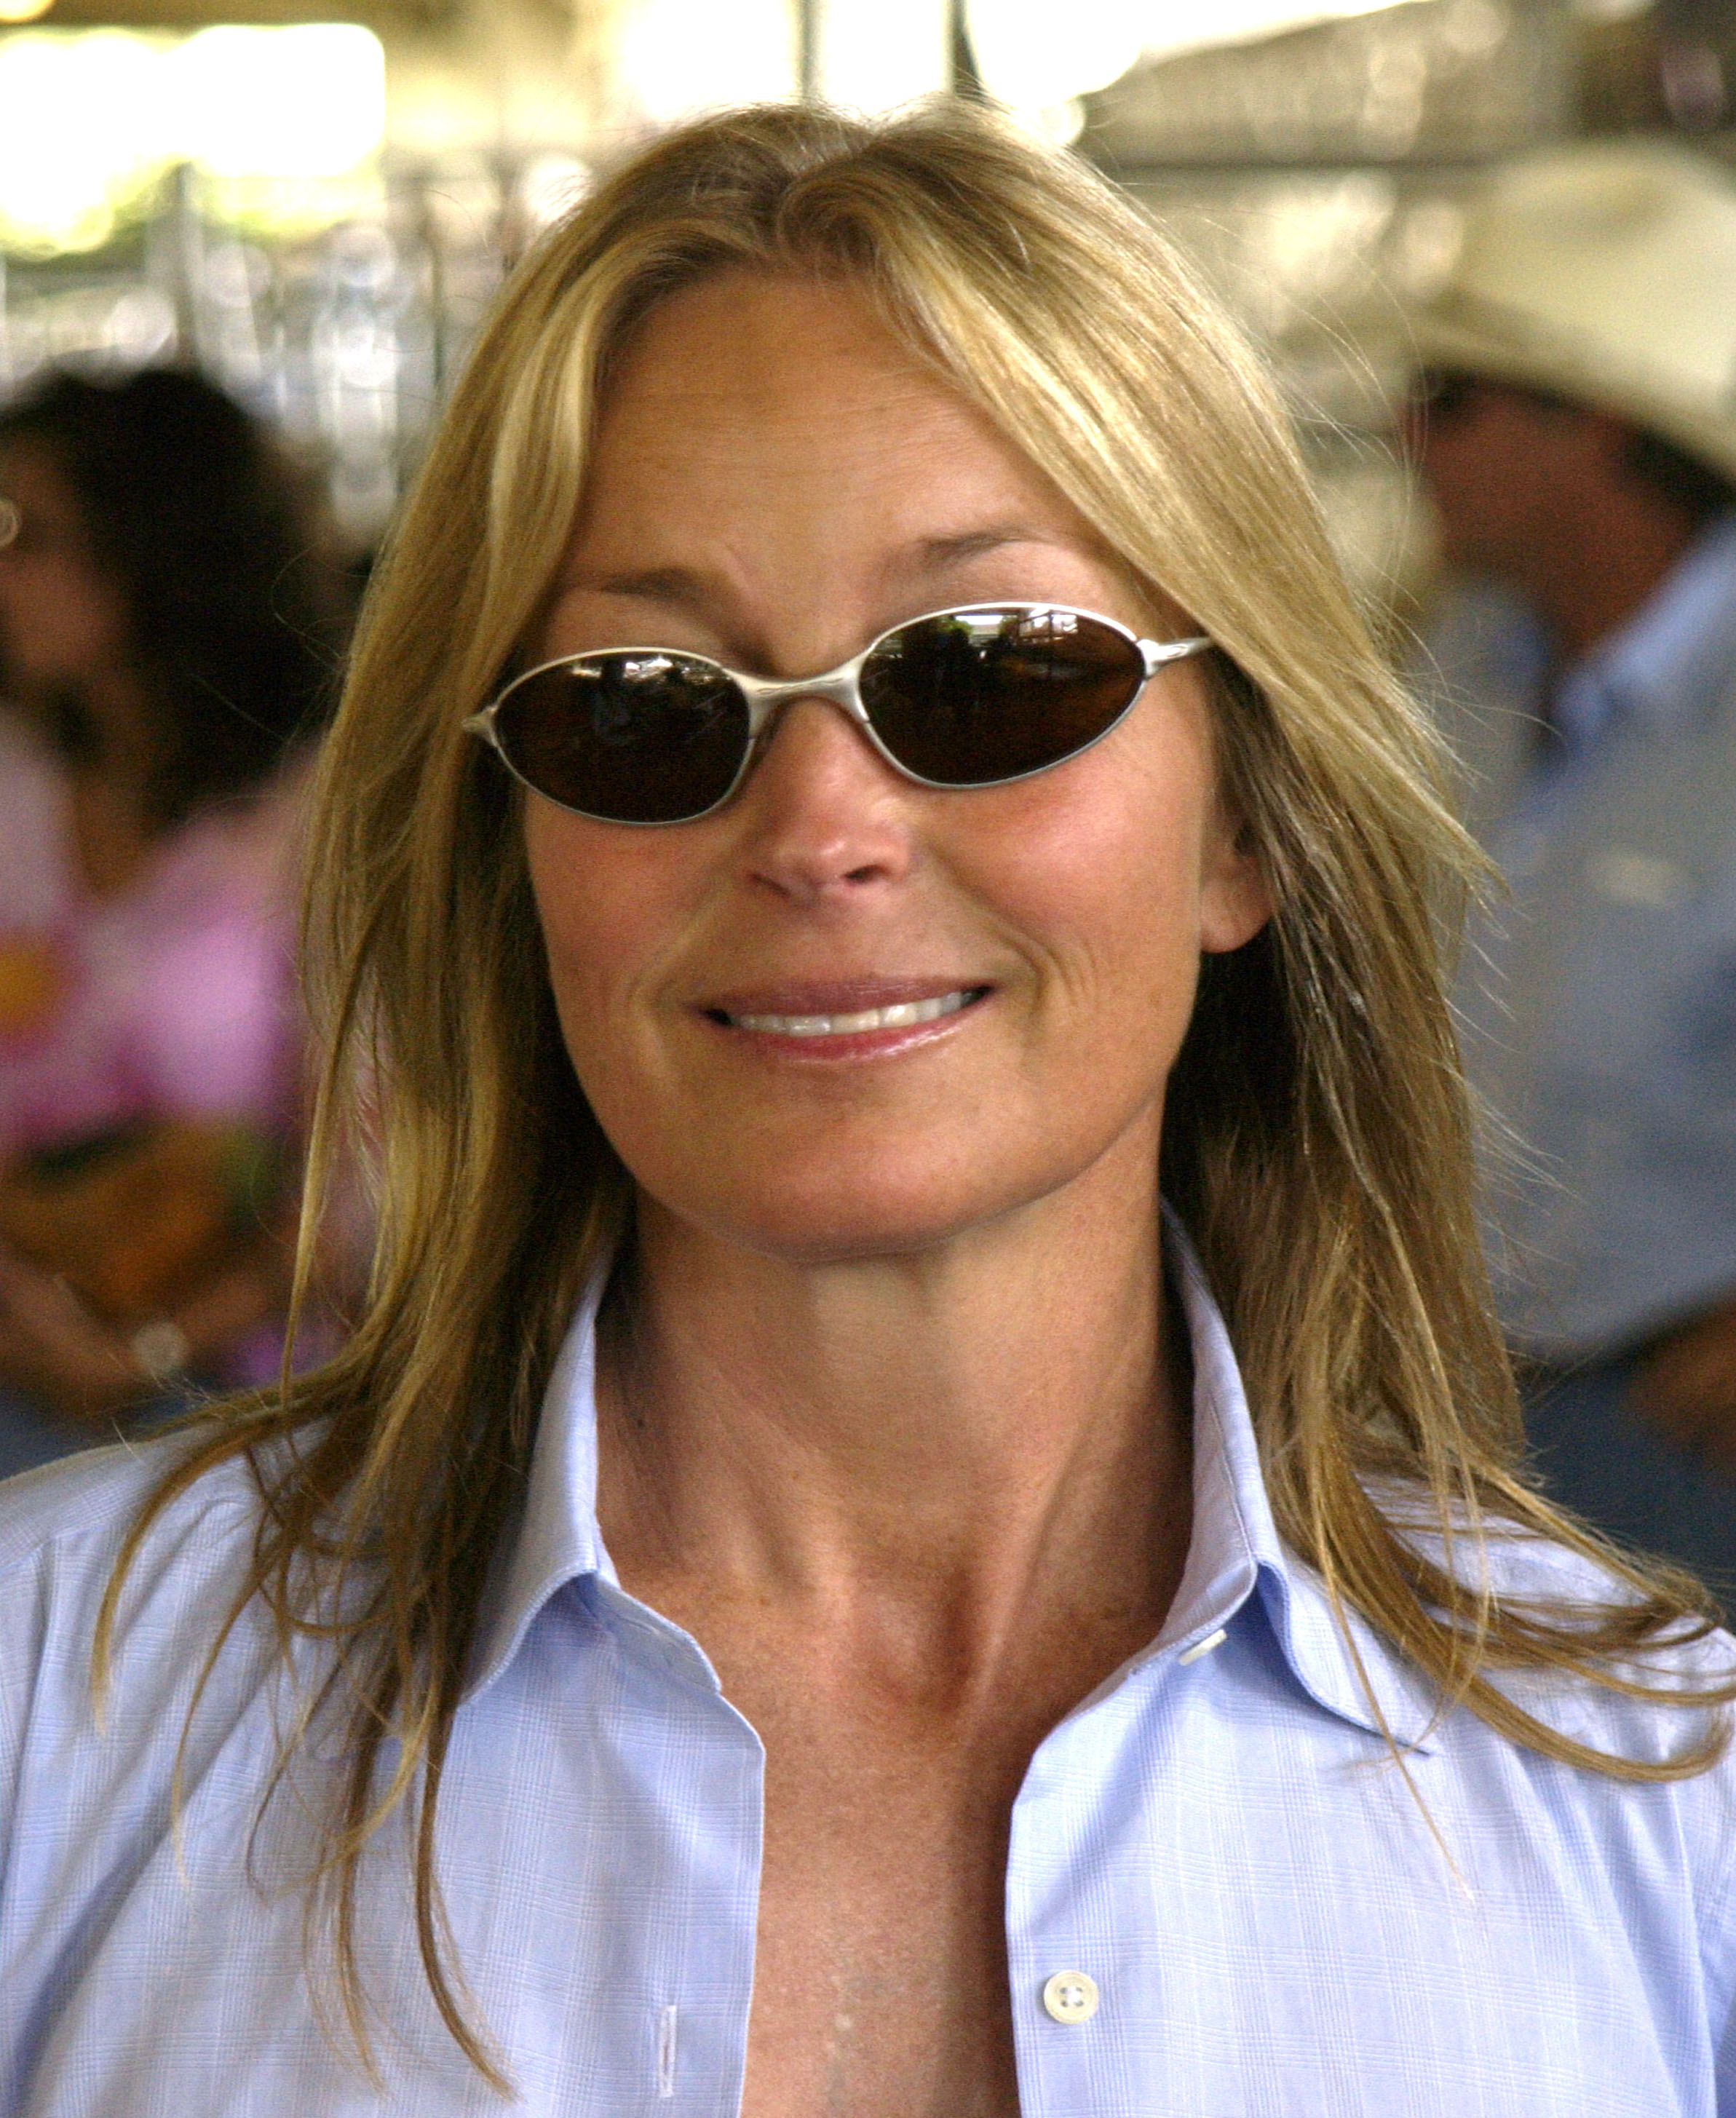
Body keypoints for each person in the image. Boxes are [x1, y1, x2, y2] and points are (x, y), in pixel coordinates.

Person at [3, 103, 1735, 2117]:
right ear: (515, 853)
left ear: (1244, 816)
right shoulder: (65, 1701)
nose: (822, 826)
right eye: (641, 703)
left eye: (988, 671)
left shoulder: (1656, 1803)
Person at [1407, 142, 1736, 1595]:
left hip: (1678, 1441)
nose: (1405, 435)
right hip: (1445, 1423)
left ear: (1589, 425)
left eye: (1447, 398)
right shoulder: (1453, 665)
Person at [0, 367, 346, 1477]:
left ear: (146, 547)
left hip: (255, 1402)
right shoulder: (17, 781)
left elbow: (380, 1170)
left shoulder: (317, 813)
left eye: (22, 531)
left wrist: (141, 1347)